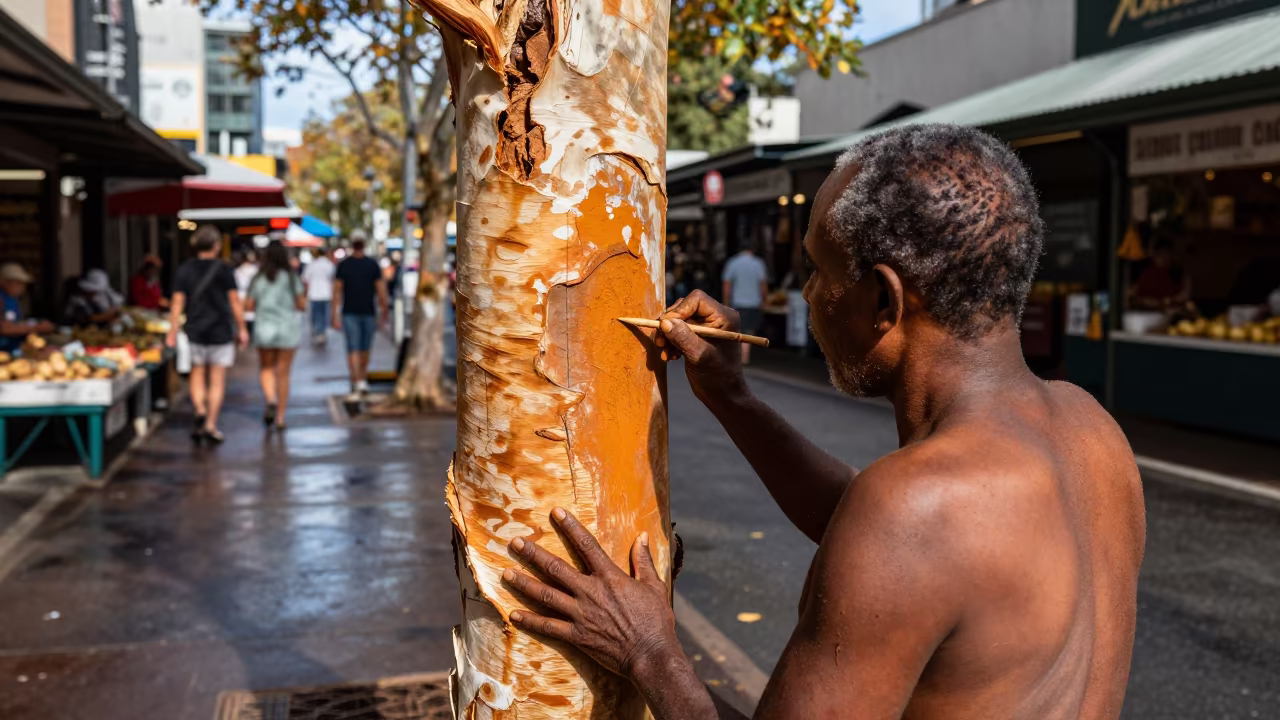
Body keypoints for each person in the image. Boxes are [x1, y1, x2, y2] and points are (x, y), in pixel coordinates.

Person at [499, 125, 1146, 719]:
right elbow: (909, 543)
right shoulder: (1091, 433)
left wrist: (649, 651)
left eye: (818, 270)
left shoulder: (913, 513)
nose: (806, 293)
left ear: (882, 300)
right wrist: (733, 398)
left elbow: (905, 534)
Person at [166, 226, 248, 444]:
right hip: (220, 330)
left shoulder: (184, 270)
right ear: (217, 246)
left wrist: (172, 330)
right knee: (217, 379)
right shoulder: (224, 270)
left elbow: (177, 303)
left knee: (197, 373)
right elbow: (234, 302)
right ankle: (211, 424)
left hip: (194, 330)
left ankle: (200, 409)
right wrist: (242, 328)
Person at [244, 241, 304, 430]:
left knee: (266, 368)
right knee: (284, 374)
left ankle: (271, 399)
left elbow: (248, 305)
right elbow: (302, 305)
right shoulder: (292, 278)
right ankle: (280, 417)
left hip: (264, 328)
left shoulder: (258, 278)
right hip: (287, 329)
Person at [332, 235, 388, 399]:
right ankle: (361, 378)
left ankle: (356, 379)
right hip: (367, 312)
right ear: (364, 245)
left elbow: (336, 291)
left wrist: (334, 314)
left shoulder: (344, 265)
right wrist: (384, 310)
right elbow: (381, 290)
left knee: (353, 348)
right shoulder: (372, 265)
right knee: (363, 348)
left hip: (350, 312)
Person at [721, 243, 768, 363]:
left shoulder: (733, 262)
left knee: (736, 329)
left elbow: (727, 284)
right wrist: (764, 300)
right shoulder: (758, 264)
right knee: (749, 330)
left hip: (737, 302)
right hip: (753, 303)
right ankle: (744, 357)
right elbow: (762, 285)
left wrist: (726, 301)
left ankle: (737, 356)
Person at [0, 263, 54, 352]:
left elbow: (14, 322)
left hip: (14, 347)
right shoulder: (1, 298)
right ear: (6, 282)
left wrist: (35, 324)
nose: (22, 288)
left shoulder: (12, 299)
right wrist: (37, 328)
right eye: (19, 283)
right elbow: (4, 328)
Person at [1132, 238, 1190, 310]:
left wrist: (1170, 300)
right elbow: (1136, 296)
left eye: (1167, 253)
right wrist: (1152, 302)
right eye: (1161, 254)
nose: (1164, 257)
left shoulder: (1178, 271)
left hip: (1173, 312)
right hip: (1149, 313)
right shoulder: (1146, 273)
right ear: (1154, 255)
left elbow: (1185, 294)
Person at [301, 247, 336, 345]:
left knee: (316, 315)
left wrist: (305, 293)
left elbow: (305, 279)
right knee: (324, 314)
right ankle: (322, 332)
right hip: (326, 294)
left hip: (314, 294)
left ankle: (318, 332)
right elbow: (333, 279)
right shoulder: (329, 265)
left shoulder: (312, 265)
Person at [234, 251, 259, 341]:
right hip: (250, 294)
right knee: (251, 315)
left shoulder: (237, 270)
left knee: (243, 316)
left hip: (240, 294)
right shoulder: (255, 269)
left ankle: (243, 333)